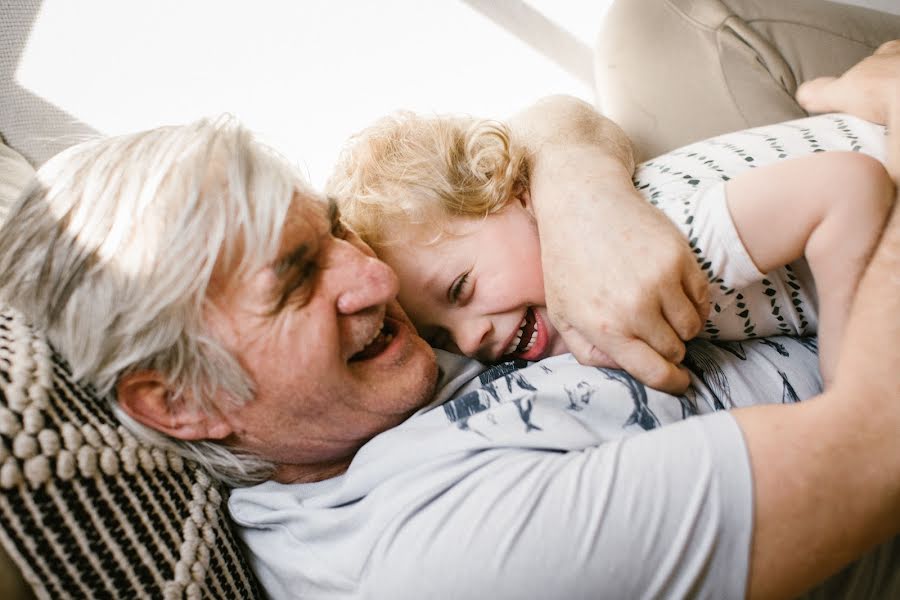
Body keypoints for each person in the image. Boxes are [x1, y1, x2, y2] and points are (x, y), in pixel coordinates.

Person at [0, 40, 898, 599]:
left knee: (650, 24)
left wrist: (580, 192)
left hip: (788, 276)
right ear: (184, 405)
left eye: (332, 233)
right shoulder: (438, 558)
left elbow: (532, 125)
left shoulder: (359, 387)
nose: (371, 275)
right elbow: (878, 442)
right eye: (301, 276)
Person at [325, 105, 893, 385]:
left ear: (515, 191)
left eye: (460, 287)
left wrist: (850, 375)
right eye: (443, 335)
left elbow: (849, 188)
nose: (472, 337)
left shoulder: (655, 236)